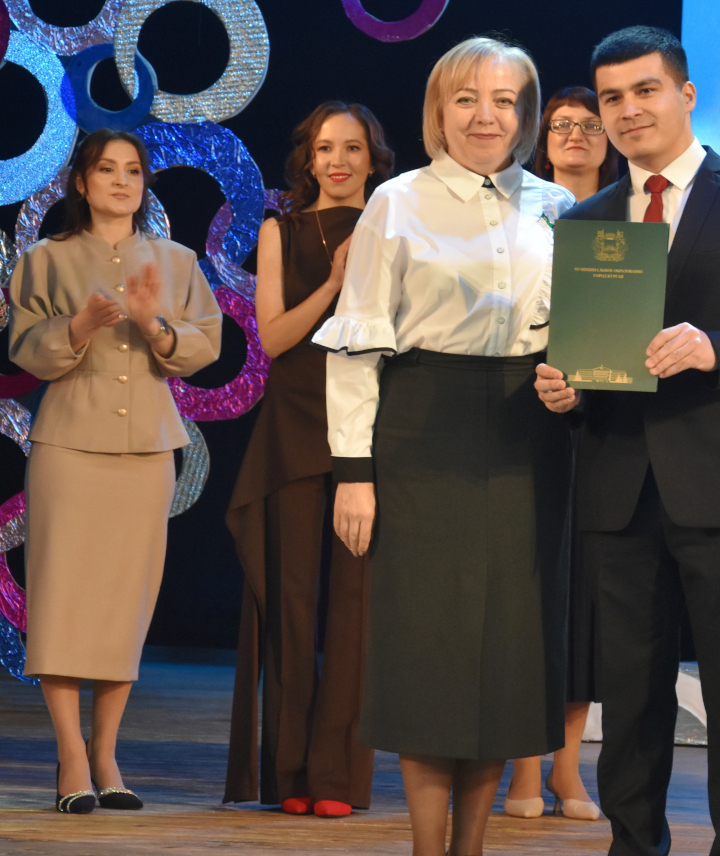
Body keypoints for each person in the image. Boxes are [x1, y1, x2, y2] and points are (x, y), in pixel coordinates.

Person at [534, 26, 720, 856]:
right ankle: (634, 845)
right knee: (630, 699)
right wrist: (565, 390)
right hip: (620, 486)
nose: (628, 110)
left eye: (645, 90)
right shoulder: (587, 218)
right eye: (612, 98)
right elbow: (581, 349)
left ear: (686, 94)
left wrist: (716, 349)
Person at [313, 37, 575, 856]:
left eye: (503, 100)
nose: (485, 115)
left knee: (505, 652)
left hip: (531, 437)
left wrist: (578, 384)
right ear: (439, 111)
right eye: (466, 99)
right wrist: (354, 473)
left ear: (526, 114)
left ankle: (472, 847)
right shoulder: (396, 202)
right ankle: (429, 847)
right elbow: (357, 347)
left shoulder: (561, 206)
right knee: (428, 650)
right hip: (421, 430)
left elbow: (582, 333)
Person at [8, 129, 222, 813]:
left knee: (124, 605)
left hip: (145, 454)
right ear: (81, 181)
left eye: (133, 170)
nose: (122, 181)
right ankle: (71, 756)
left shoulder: (177, 261)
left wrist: (153, 324)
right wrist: (78, 327)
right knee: (62, 600)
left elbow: (204, 346)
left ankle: (106, 753)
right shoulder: (44, 259)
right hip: (69, 448)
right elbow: (24, 348)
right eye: (107, 169)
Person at [224, 101, 394, 818]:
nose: (338, 161)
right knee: (292, 602)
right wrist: (332, 281)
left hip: (373, 431)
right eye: (326, 148)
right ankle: (290, 772)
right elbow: (273, 337)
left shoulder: (394, 228)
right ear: (308, 158)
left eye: (352, 148)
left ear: (373, 158)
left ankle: (338, 776)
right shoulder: (281, 230)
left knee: (356, 608)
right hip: (294, 428)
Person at [505, 85, 619, 823]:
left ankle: (568, 769)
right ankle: (521, 768)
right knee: (528, 591)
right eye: (562, 125)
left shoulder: (629, 218)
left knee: (583, 601)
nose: (576, 135)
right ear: (542, 140)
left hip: (604, 420)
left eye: (590, 125)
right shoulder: (515, 213)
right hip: (521, 409)